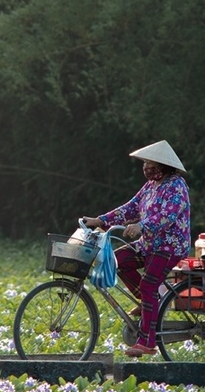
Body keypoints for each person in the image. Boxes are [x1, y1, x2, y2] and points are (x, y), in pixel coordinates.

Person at [81, 140, 191, 358]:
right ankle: (149, 304)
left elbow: (167, 216)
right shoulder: (150, 187)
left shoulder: (177, 186)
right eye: (145, 163)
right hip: (149, 244)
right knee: (117, 261)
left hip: (171, 245)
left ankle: (147, 342)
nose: (145, 167)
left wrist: (142, 225)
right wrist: (100, 220)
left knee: (150, 285)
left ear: (162, 166)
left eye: (149, 163)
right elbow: (130, 208)